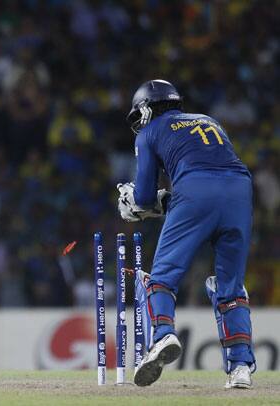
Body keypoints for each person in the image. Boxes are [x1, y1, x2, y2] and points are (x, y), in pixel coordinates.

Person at [117, 80, 256, 388]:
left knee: (163, 277)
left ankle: (163, 335)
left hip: (194, 190)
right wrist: (170, 200)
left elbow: (142, 198)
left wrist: (134, 204)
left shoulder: (148, 132)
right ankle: (241, 367)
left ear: (145, 109)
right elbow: (212, 168)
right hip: (240, 189)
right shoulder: (209, 120)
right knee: (231, 286)